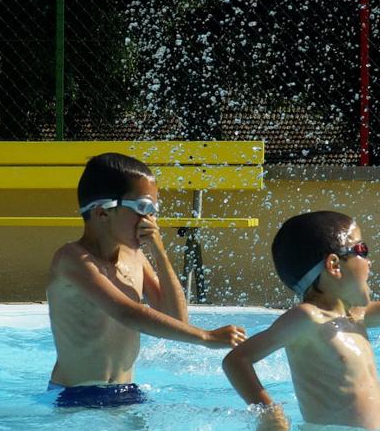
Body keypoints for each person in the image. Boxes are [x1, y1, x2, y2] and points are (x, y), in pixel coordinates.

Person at [222, 210, 380, 431]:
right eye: (362, 250)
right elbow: (236, 360)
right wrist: (268, 412)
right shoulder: (308, 318)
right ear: (334, 265)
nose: (369, 262)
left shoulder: (358, 315)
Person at [45, 152, 247, 408]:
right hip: (74, 397)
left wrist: (159, 251)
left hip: (127, 392)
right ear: (102, 212)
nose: (150, 221)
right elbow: (126, 313)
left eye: (154, 210)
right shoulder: (72, 259)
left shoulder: (135, 256)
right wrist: (206, 337)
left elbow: (177, 319)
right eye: (142, 208)